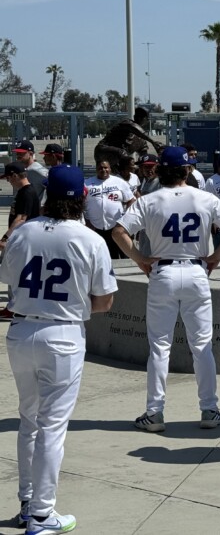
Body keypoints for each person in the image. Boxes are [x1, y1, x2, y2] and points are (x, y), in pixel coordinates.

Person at [1, 165, 117, 535]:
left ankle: (27, 502)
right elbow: (104, 303)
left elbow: (8, 280)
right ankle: (41, 514)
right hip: (62, 335)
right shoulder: (89, 239)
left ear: (49, 195)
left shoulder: (23, 232)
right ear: (82, 197)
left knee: (29, 421)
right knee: (52, 427)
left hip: (20, 330)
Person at [113, 146, 220, 433]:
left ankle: (155, 412)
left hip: (164, 271)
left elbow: (119, 232)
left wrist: (140, 259)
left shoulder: (149, 200)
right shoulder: (204, 197)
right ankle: (209, 408)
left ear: (159, 170)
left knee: (160, 346)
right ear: (187, 170)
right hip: (196, 270)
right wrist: (217, 255)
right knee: (202, 346)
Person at [84, 160, 135, 259]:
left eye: (106, 167)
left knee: (126, 254)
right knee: (106, 257)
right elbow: (80, 204)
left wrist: (126, 218)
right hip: (95, 227)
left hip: (117, 225)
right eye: (100, 168)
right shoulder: (87, 183)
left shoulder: (119, 182)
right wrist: (87, 222)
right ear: (96, 170)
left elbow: (131, 200)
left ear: (110, 169)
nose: (103, 170)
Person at [94, 106, 164, 168]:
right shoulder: (127, 123)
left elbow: (144, 157)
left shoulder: (142, 141)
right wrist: (153, 141)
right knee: (122, 153)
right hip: (102, 151)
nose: (138, 118)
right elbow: (135, 128)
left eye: (142, 117)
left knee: (126, 163)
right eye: (137, 115)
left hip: (115, 162)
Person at [1, 162, 42, 252]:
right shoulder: (23, 191)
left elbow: (21, 219)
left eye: (8, 178)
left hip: (25, 238)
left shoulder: (27, 193)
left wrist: (5, 238)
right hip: (21, 236)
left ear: (15, 176)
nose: (9, 182)